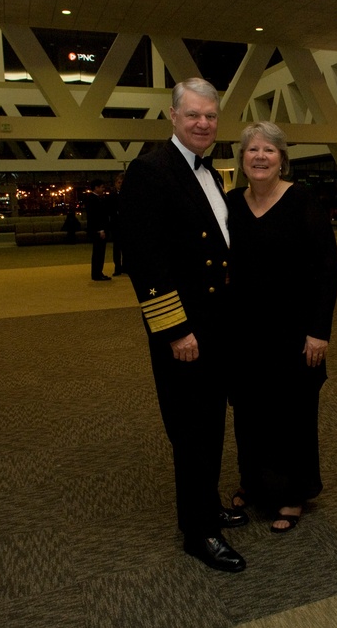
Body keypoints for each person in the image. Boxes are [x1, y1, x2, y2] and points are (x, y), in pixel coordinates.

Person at [117, 78, 247, 573]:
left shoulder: (210, 173)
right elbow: (146, 262)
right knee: (193, 430)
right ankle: (199, 532)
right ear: (172, 116)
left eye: (210, 116)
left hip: (217, 327)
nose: (203, 124)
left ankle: (206, 505)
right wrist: (175, 330)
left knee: (211, 423)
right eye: (193, 115)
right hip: (186, 333)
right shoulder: (150, 171)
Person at [227, 121, 337, 534]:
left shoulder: (303, 201)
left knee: (291, 415)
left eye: (269, 150)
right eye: (252, 150)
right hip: (244, 333)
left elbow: (328, 270)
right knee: (251, 414)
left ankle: (292, 493)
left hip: (294, 333)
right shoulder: (230, 205)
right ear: (242, 159)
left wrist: (319, 331)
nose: (259, 157)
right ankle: (254, 485)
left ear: (282, 159)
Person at [86, 179, 111, 281]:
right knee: (98, 253)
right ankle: (97, 274)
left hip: (98, 229)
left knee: (99, 252)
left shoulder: (95, 198)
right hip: (98, 230)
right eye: (101, 187)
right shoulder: (93, 199)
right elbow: (95, 217)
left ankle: (98, 272)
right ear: (96, 187)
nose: (103, 189)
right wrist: (100, 230)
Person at [110, 172, 124, 276]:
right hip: (116, 225)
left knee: (127, 248)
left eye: (122, 183)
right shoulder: (112, 195)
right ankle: (117, 267)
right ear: (115, 183)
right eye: (119, 183)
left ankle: (126, 266)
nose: (120, 184)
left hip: (125, 225)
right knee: (117, 248)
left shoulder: (128, 195)